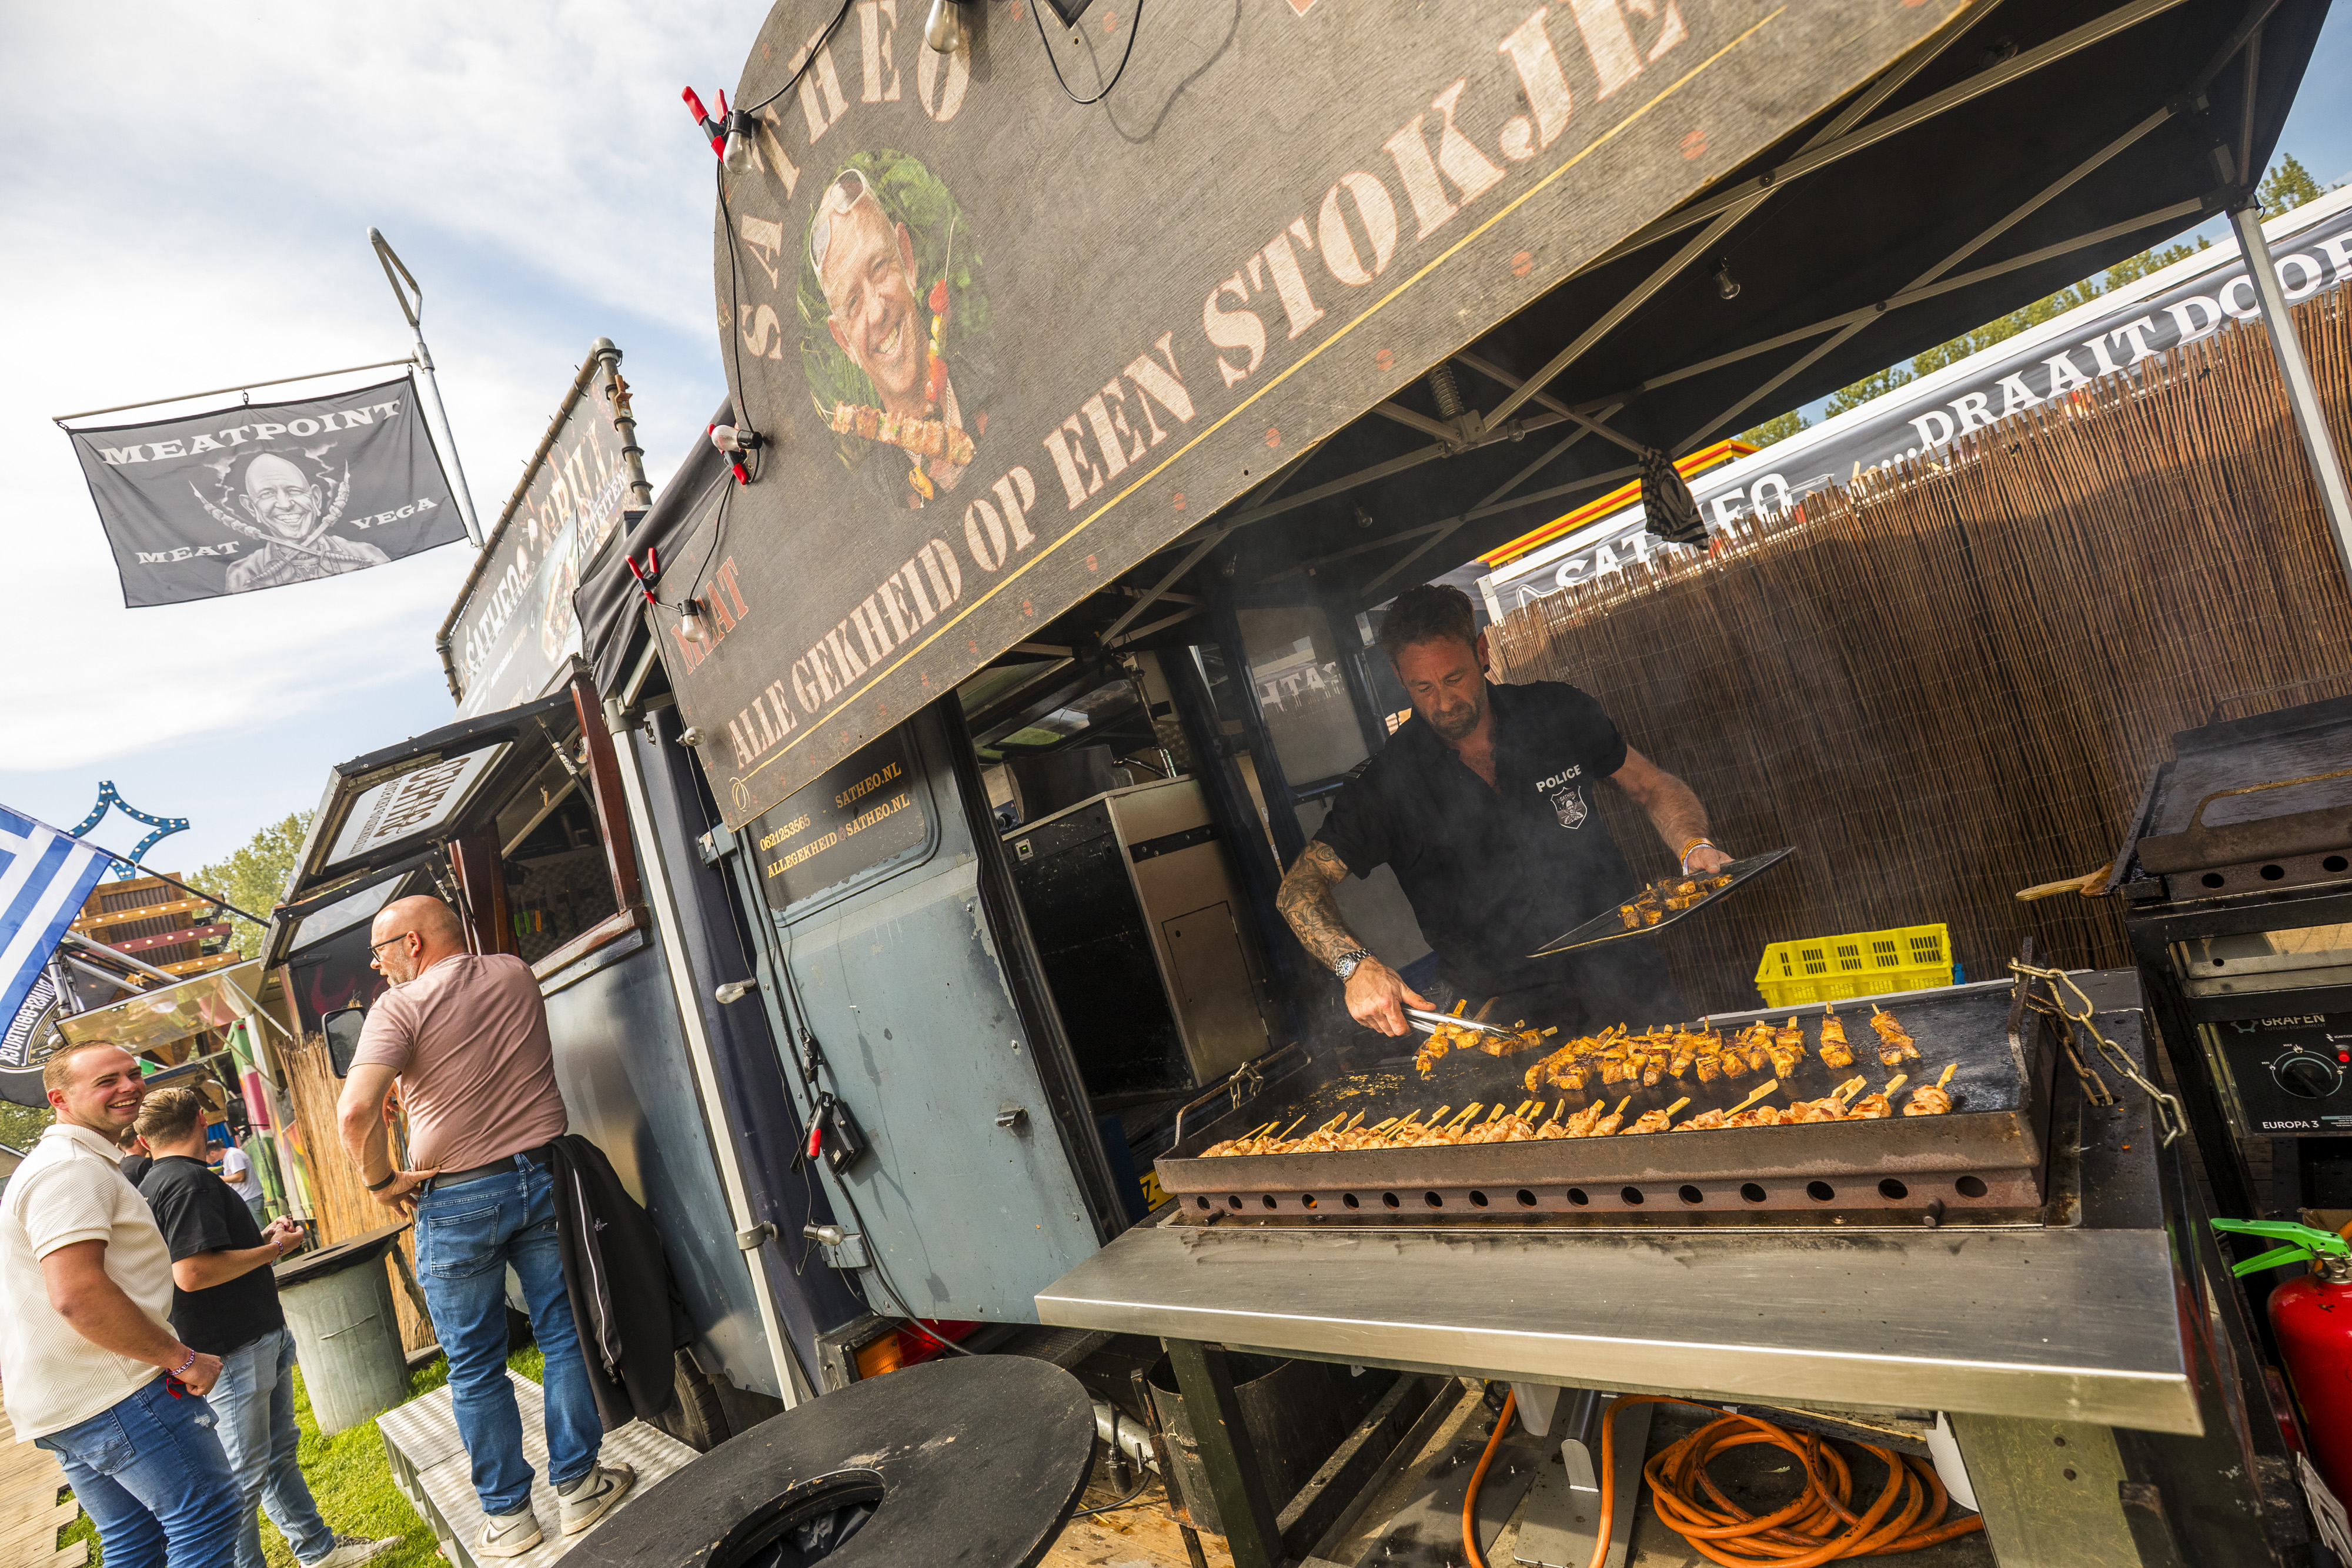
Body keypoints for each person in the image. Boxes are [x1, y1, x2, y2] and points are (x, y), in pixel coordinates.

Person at [1277, 583, 1733, 1040]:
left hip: (1627, 977)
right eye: (1423, 687)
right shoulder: (1385, 785)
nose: (1443, 702)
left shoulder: (1557, 710)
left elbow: (1651, 785)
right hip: (1509, 1024)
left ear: (1482, 651)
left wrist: (1694, 844)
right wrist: (1353, 965)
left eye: (1454, 678)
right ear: (1400, 677)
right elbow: (1298, 889)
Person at [336, 895, 633, 1557]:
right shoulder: (513, 973)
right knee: (562, 1335)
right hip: (542, 1177)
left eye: (381, 952)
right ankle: (581, 1488)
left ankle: (510, 1520)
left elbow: (354, 1113)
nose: (379, 968)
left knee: (474, 1367)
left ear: (412, 944)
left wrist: (380, 1180)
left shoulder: (399, 1007)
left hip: (459, 1199)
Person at [132, 1088, 398, 1568]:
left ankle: (318, 1550)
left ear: (142, 1135)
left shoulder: (158, 1181)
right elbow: (191, 1272)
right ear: (201, 1118)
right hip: (231, 1348)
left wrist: (260, 1241)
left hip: (238, 1338)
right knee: (243, 1477)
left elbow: (206, 1256)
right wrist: (274, 1252)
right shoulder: (189, 1182)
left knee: (274, 1457)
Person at [0, 1041, 240, 1568]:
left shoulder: (71, 1162)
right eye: (106, 1081)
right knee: (207, 1513)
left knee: (135, 1540)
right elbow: (76, 1293)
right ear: (59, 1098)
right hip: (112, 1391)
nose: (130, 1086)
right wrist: (180, 1357)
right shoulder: (69, 1170)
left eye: (133, 1074)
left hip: (69, 1398)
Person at [811, 167, 977, 506]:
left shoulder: (999, 369)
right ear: (844, 342)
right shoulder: (877, 502)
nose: (876, 312)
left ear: (908, 261)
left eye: (879, 268)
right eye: (853, 303)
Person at [220, 452, 388, 594]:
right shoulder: (243, 575)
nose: (285, 505)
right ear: (251, 507)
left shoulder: (365, 555)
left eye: (294, 491)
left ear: (315, 498)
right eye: (267, 494)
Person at [217, 1139, 267, 1229]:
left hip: (250, 1197)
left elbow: (240, 1177)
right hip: (248, 1197)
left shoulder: (233, 1155)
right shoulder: (230, 1155)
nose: (208, 1161)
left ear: (212, 1153)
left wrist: (220, 1179)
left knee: (260, 1229)